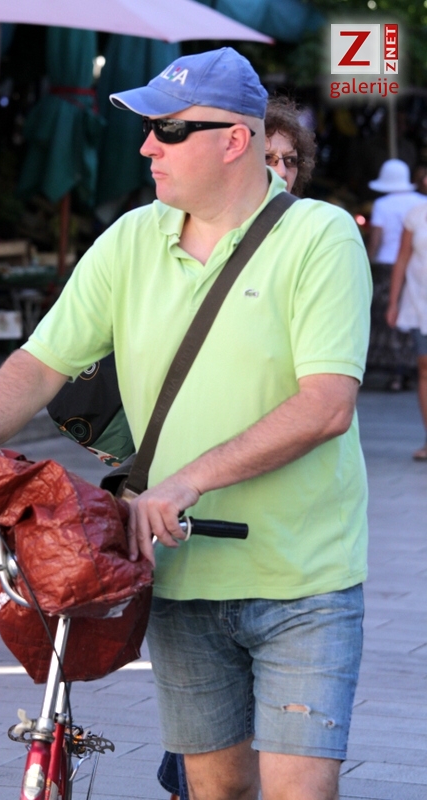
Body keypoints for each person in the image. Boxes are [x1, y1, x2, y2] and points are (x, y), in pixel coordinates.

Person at [0, 48, 371, 800]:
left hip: (303, 576)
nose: (148, 146)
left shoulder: (319, 236)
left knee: (300, 793)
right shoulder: (131, 239)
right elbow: (40, 363)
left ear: (235, 139)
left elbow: (326, 404)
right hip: (180, 573)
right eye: (149, 128)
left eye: (170, 129)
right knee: (215, 790)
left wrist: (185, 481)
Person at [157, 93, 318, 800]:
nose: (279, 171)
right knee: (207, 777)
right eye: (269, 157)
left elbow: (326, 403)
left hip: (292, 561)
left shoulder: (315, 241)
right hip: (187, 558)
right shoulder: (156, 240)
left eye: (290, 161)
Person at [366, 159, 425, 390]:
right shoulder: (421, 202)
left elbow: (376, 238)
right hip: (415, 265)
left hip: (385, 265)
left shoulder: (382, 204)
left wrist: (367, 261)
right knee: (413, 315)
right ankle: (412, 367)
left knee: (388, 319)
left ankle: (395, 372)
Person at [386, 185, 427, 460]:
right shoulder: (416, 214)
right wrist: (393, 302)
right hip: (419, 301)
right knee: (424, 366)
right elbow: (402, 259)